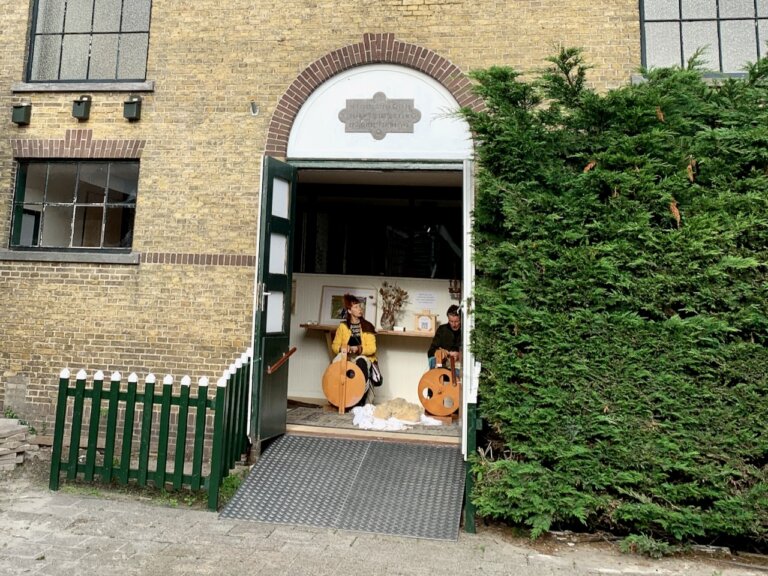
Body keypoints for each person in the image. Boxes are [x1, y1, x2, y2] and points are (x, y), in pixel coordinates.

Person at [331, 294, 378, 406]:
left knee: (361, 361)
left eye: (360, 306)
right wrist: (343, 348)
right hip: (347, 356)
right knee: (337, 360)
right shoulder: (343, 327)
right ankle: (337, 396)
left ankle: (360, 399)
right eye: (356, 307)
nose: (359, 309)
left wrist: (357, 349)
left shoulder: (367, 326)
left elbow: (372, 348)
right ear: (349, 310)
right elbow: (334, 346)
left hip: (363, 357)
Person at [427, 304, 461, 369]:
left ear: (461, 319)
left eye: (456, 321)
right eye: (451, 321)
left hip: (459, 364)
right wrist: (444, 353)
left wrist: (459, 355)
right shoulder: (442, 330)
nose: (454, 325)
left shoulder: (465, 331)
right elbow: (431, 351)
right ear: (448, 319)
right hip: (443, 363)